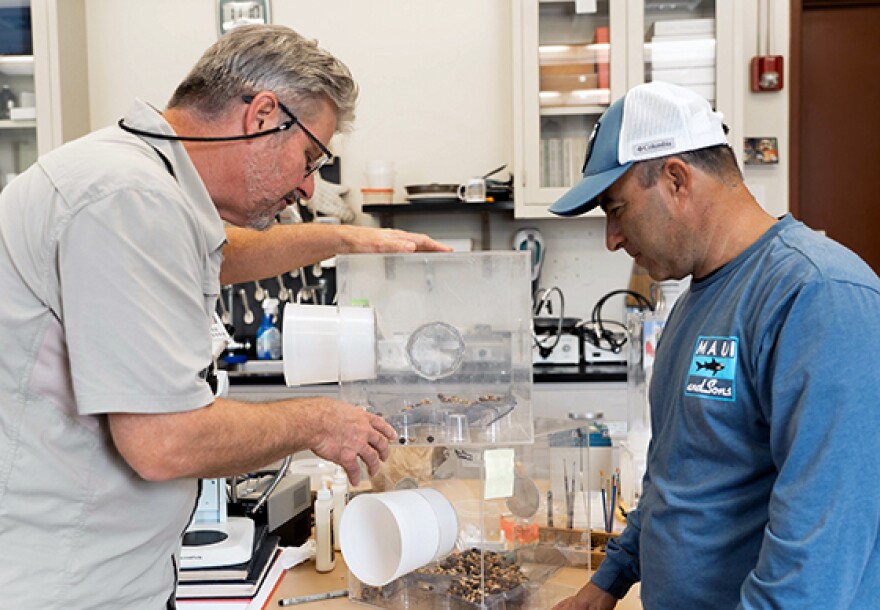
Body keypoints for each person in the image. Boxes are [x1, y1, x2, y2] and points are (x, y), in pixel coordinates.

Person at [0, 25, 450, 608]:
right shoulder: (129, 199)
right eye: (310, 157)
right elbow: (162, 442)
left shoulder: (137, 177)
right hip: (67, 586)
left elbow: (215, 256)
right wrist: (317, 422)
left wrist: (348, 238)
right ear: (263, 115)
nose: (310, 188)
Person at [549, 81, 880, 609]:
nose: (611, 237)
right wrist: (608, 581)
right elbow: (675, 476)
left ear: (676, 179)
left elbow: (821, 548)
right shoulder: (693, 302)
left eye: (616, 208)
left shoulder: (819, 295)